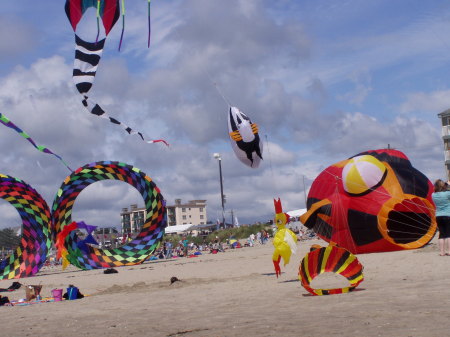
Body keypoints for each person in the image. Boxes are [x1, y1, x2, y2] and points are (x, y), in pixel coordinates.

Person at [432, 179, 450, 256]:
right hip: (447, 215)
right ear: (443, 186)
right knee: (449, 234)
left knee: (441, 234)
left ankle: (442, 252)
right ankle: (449, 251)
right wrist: (448, 185)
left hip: (438, 216)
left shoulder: (433, 195)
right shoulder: (447, 194)